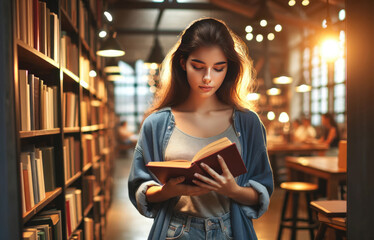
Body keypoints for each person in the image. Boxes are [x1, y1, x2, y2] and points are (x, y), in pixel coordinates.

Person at [128, 18, 274, 240]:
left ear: (230, 68)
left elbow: (262, 192)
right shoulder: (155, 125)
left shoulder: (248, 123)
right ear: (182, 63)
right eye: (198, 66)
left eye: (218, 68)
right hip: (175, 231)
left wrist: (232, 190)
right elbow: (140, 190)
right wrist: (168, 191)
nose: (207, 77)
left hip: (231, 231)